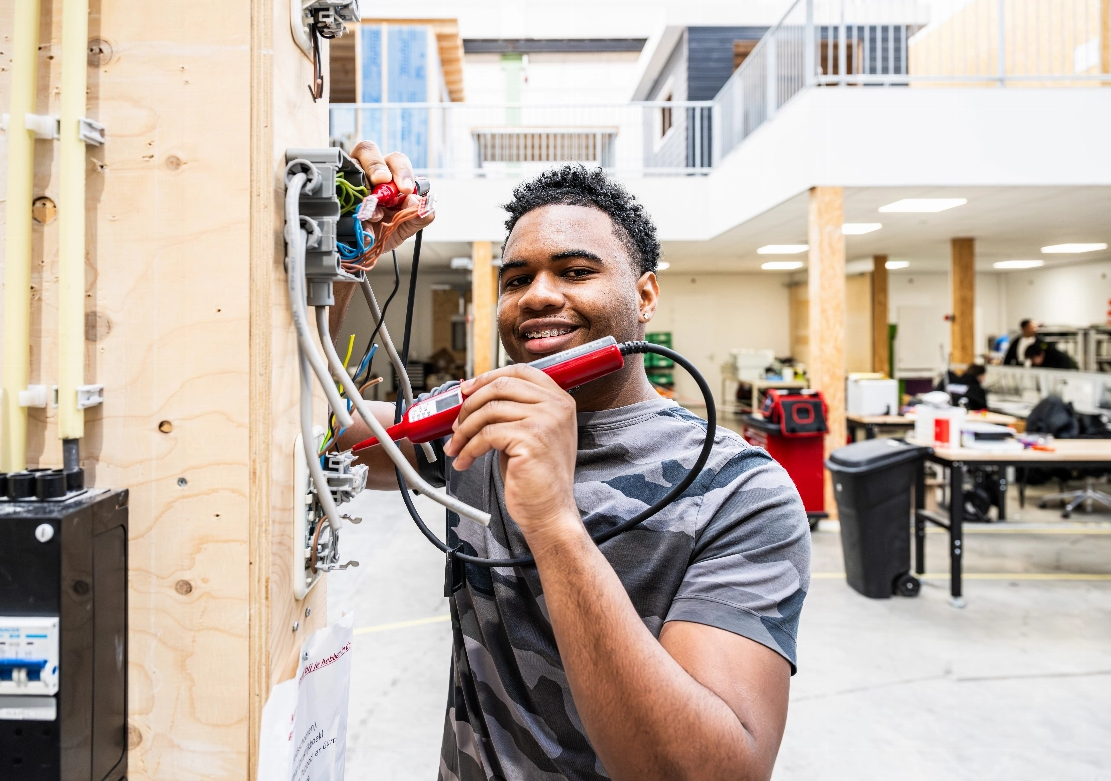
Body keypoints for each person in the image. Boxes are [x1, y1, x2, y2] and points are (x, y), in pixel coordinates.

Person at [329, 145, 810, 781]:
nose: (538, 296)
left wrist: (554, 521)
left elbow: (711, 772)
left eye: (576, 271)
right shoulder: (477, 419)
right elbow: (322, 435)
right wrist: (341, 259)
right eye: (517, 279)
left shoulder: (739, 489)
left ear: (644, 296)